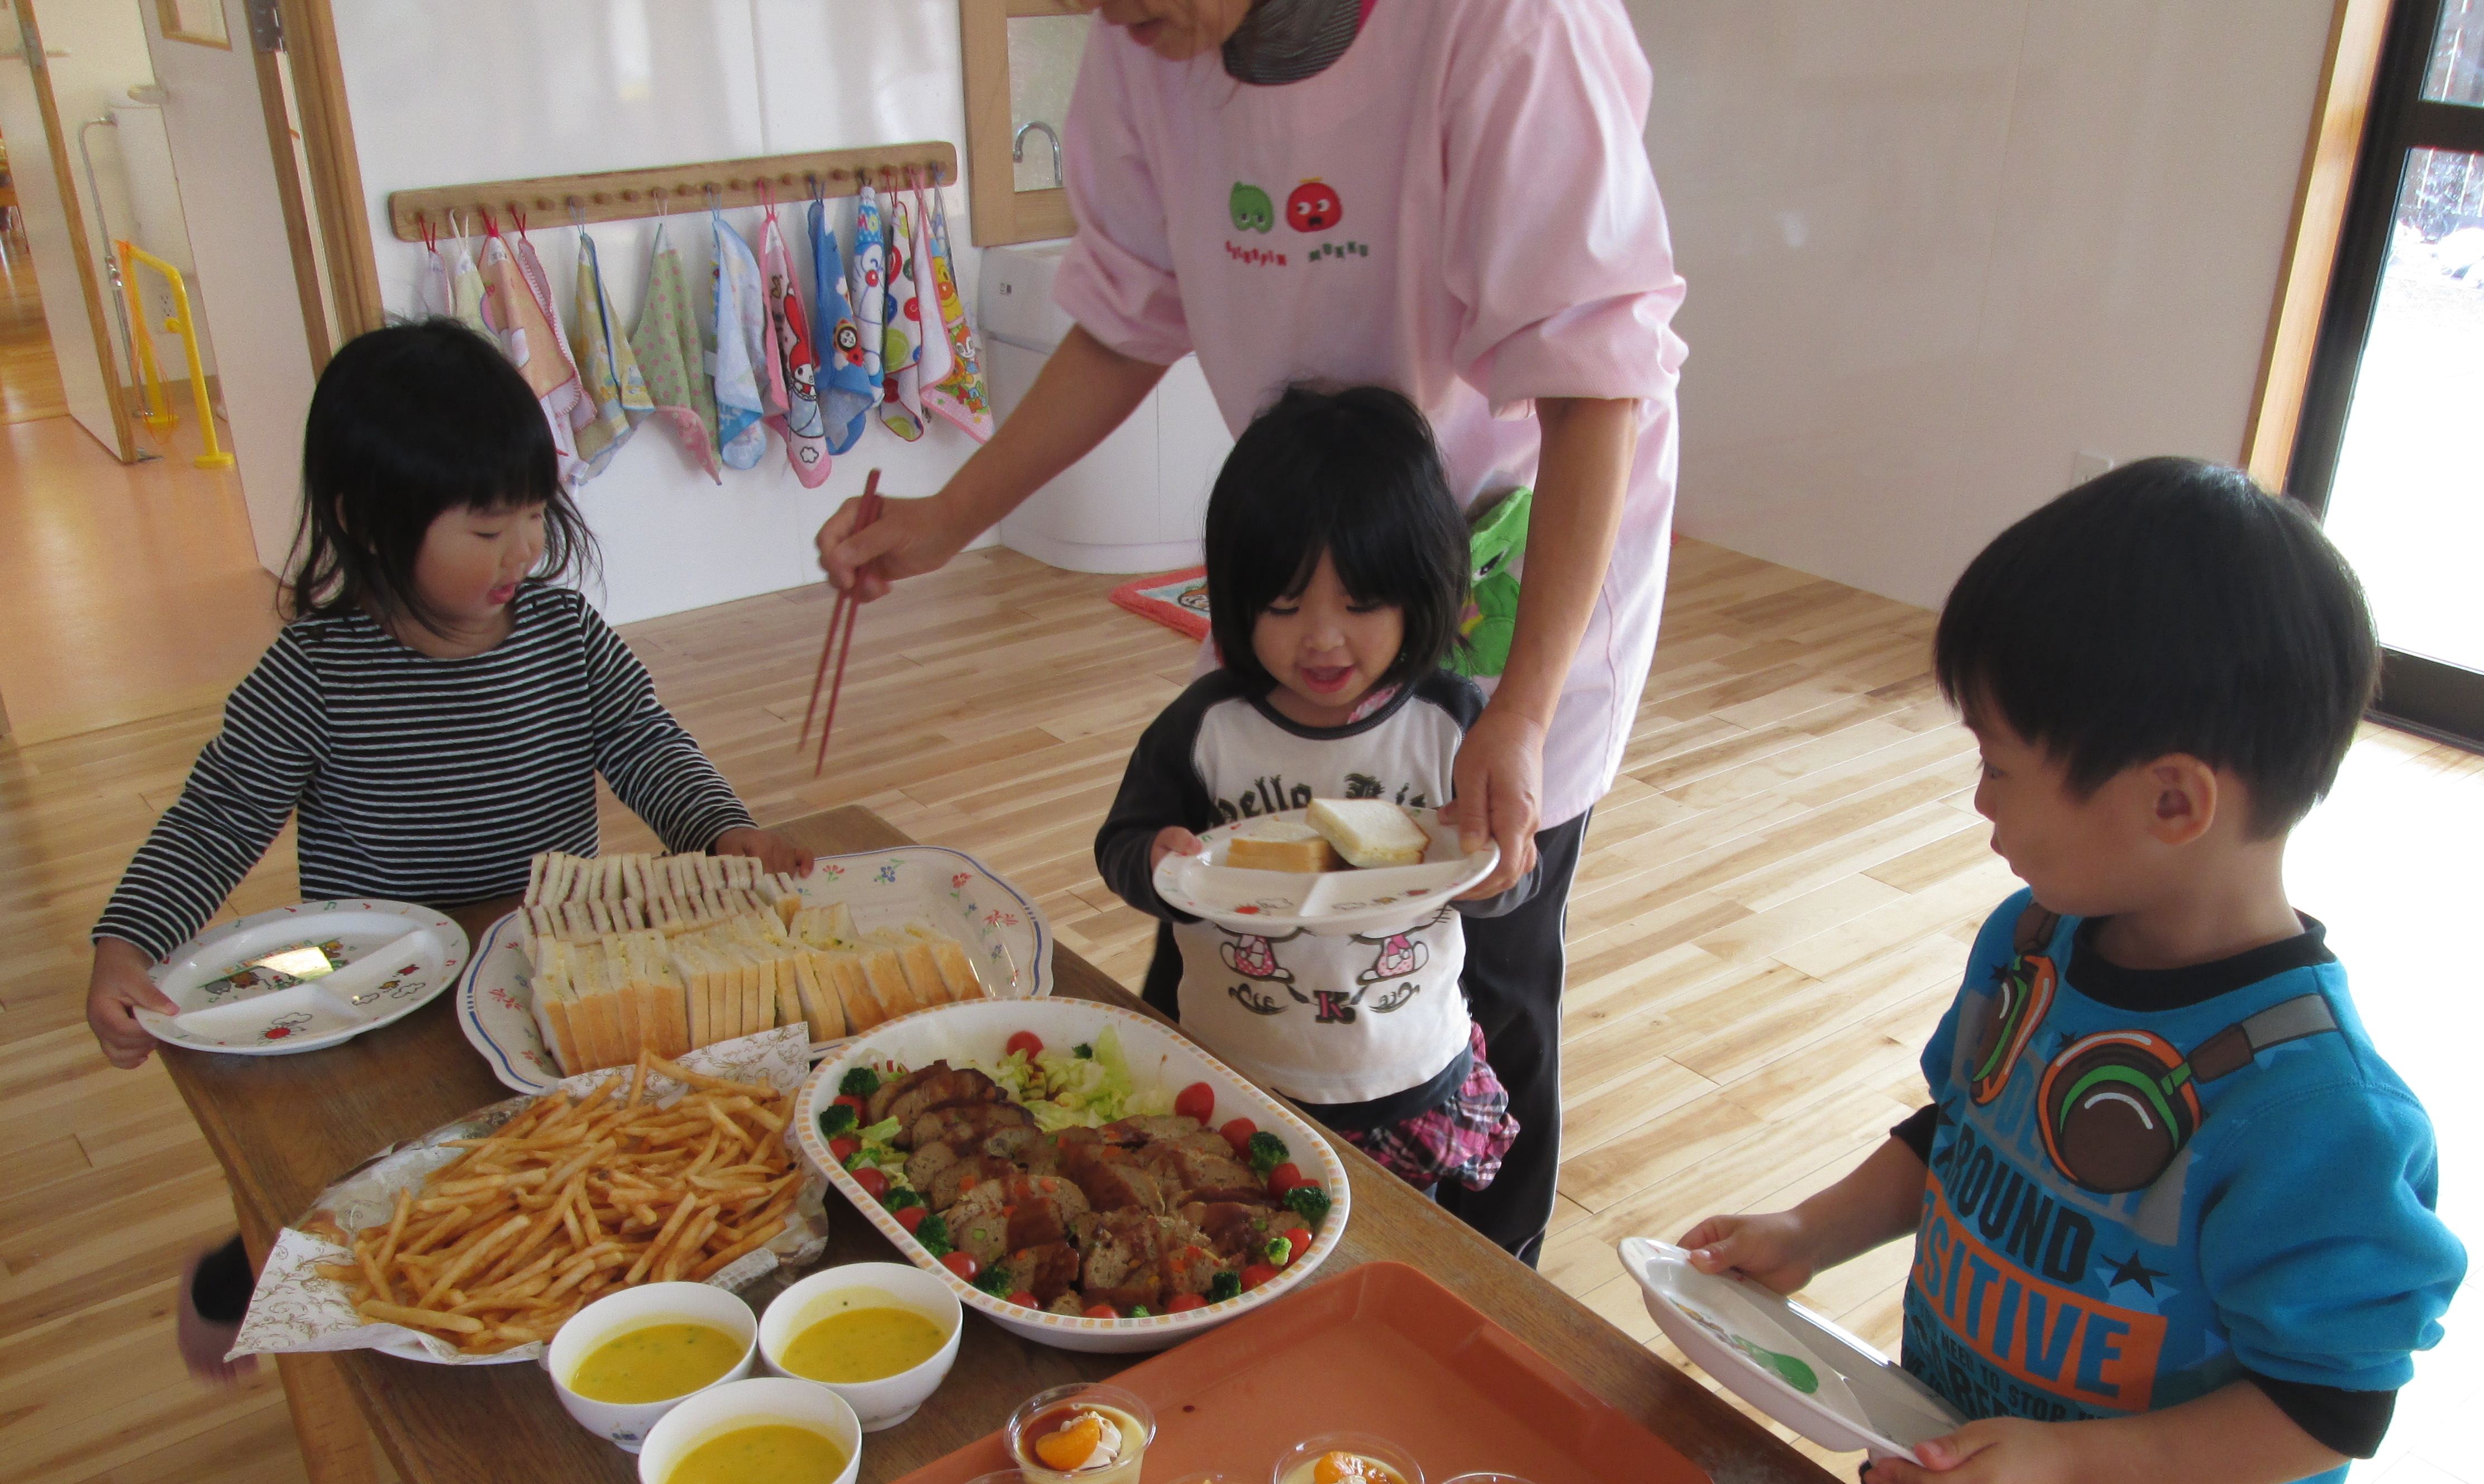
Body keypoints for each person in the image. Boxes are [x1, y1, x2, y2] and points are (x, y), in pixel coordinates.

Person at [1673, 460, 2467, 1484]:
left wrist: (2065, 1468)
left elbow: (2327, 1408)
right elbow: (1960, 1126)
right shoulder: (2036, 942)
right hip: (1942, 1480)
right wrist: (1811, 1231)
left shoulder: (2320, 1116)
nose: (1977, 798)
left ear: (2172, 799)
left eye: (2001, 764)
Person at [818, 0, 1685, 1263]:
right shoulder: (1149, 35)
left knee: (1479, 969)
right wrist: (950, 518)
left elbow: (1595, 380)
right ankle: (1232, 1236)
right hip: (1313, 556)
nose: (1111, 17)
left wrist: (1523, 710)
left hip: (1507, 578)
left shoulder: (1506, 26)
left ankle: (1490, 1282)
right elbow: (1128, 311)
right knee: (1248, 925)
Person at [85, 319, 811, 1383]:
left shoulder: (566, 635)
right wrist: (126, 942)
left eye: (536, 514)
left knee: (557, 1160)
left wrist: (721, 829)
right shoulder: (314, 672)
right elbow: (217, 816)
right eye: (485, 527)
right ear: (365, 518)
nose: (523, 551)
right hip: (371, 982)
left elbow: (648, 745)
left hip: (541, 956)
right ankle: (247, 1275)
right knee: (373, 1179)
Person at [1096, 385, 1536, 1193]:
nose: (1323, 638)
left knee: (1392, 1255)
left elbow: (1505, 879)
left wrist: (1501, 874)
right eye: (1285, 604)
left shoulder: (1454, 724)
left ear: (1420, 589)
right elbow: (1122, 843)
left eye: (1362, 603)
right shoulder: (1206, 725)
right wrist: (1155, 860)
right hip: (1236, 1073)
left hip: (1404, 1076)